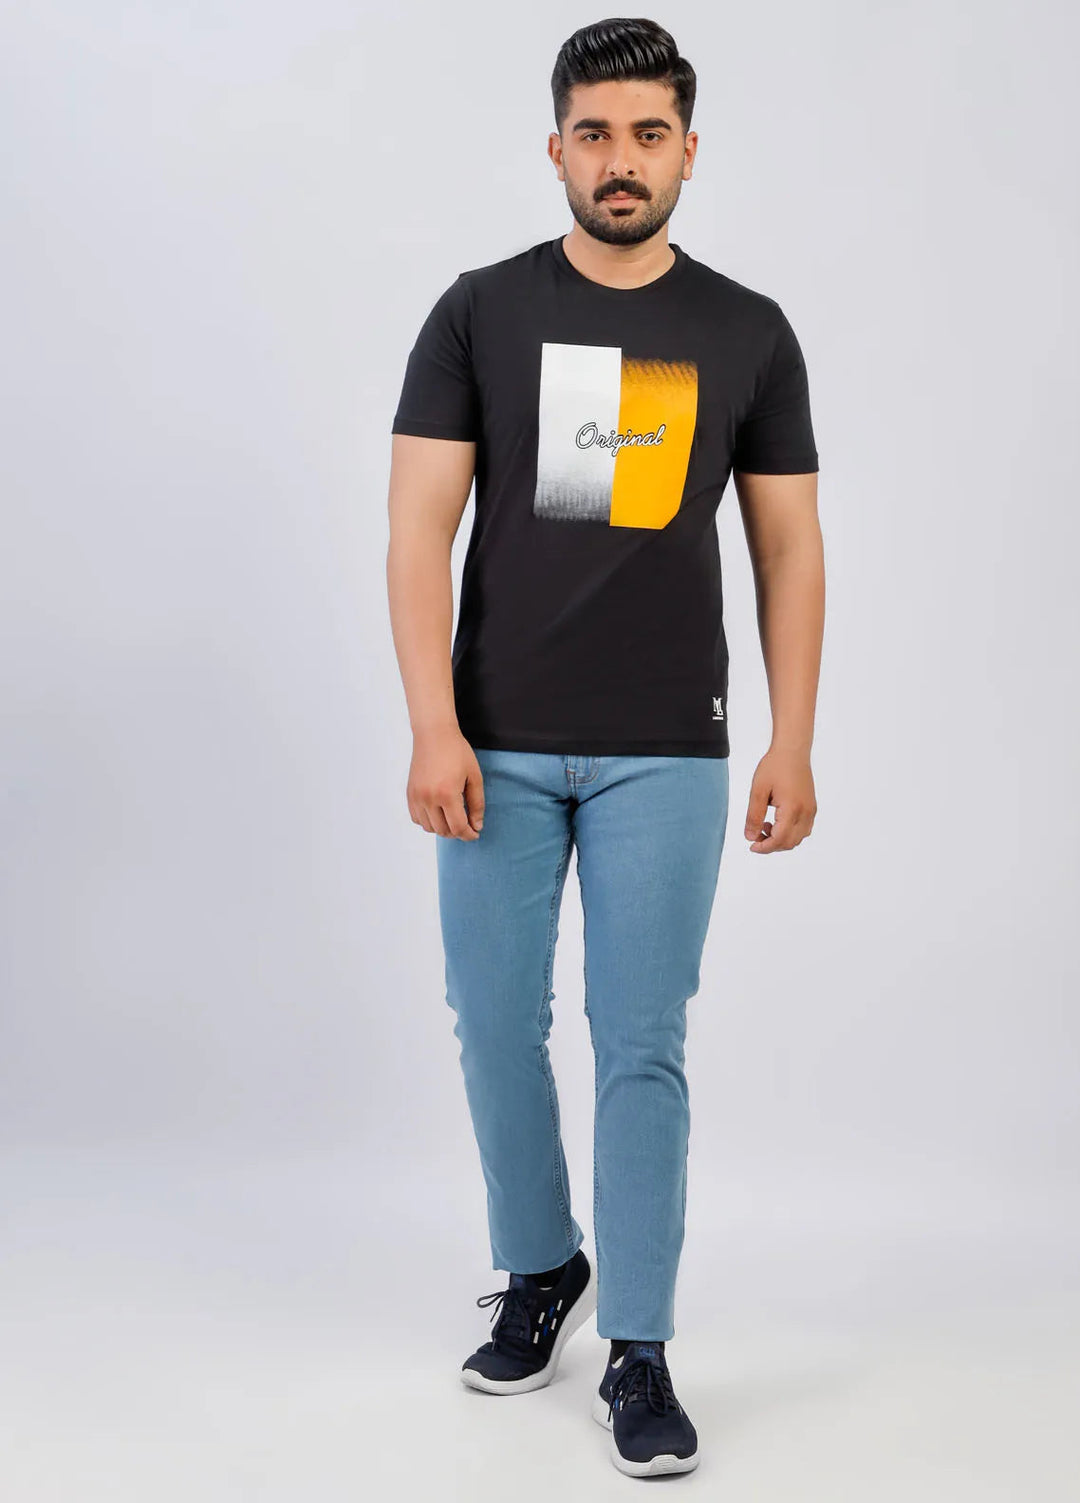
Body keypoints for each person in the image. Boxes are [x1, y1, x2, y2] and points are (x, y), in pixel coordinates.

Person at [385, 16, 824, 1480]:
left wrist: (793, 739)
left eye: (647, 135)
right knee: (492, 1022)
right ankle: (541, 1263)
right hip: (496, 745)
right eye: (594, 134)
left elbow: (789, 548)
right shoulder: (478, 313)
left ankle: (638, 1345)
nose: (619, 161)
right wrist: (433, 724)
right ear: (555, 148)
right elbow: (416, 530)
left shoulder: (748, 331)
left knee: (641, 1045)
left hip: (667, 751)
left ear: (689, 150)